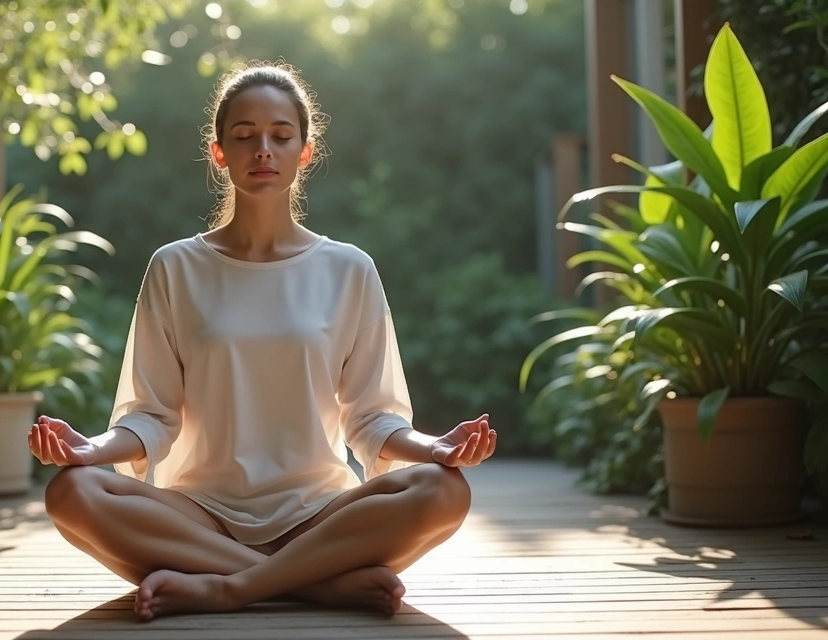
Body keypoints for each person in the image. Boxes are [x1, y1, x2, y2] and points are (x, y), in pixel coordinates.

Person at [28, 61, 496, 622]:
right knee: (71, 493)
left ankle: (225, 586)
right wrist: (90, 450)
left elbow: (373, 420)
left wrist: (437, 448)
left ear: (306, 150)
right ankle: (315, 585)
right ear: (219, 152)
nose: (263, 151)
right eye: (245, 137)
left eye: (280, 135)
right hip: (198, 513)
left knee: (445, 490)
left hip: (320, 513)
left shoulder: (349, 270)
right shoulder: (175, 267)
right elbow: (152, 415)